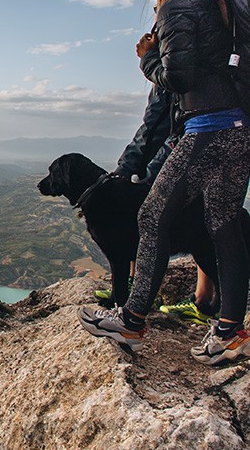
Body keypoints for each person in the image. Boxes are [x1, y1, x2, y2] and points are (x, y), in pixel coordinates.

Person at [80, 0, 250, 365]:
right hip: (244, 131)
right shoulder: (226, 4)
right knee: (223, 224)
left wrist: (148, 58)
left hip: (208, 130)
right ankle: (230, 333)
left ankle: (132, 320)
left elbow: (178, 79)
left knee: (151, 216)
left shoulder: (181, 5)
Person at [92, 84, 218, 324]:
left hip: (186, 149)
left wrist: (131, 170)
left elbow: (154, 127)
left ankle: (200, 302)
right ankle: (203, 300)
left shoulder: (170, 68)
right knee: (205, 220)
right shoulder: (182, 67)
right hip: (215, 143)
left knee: (162, 218)